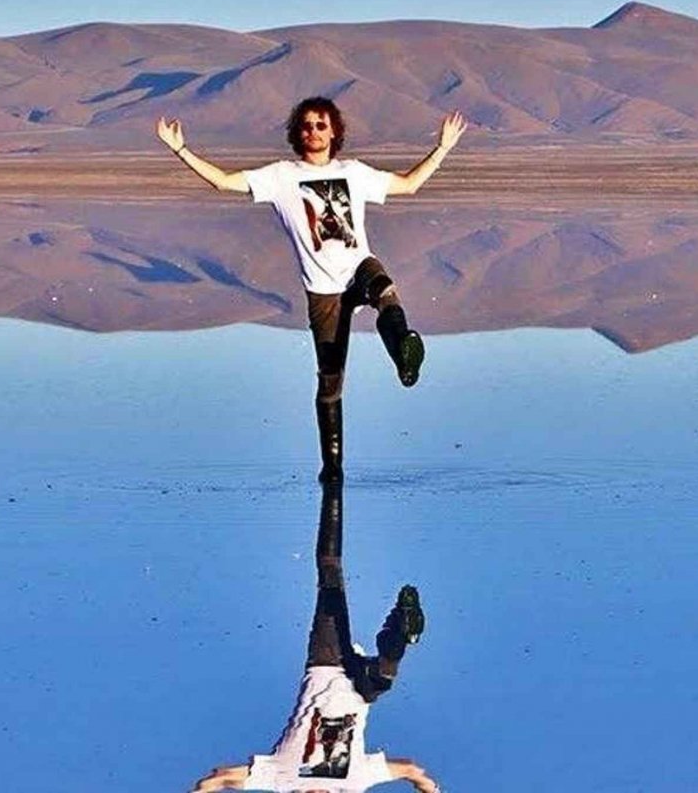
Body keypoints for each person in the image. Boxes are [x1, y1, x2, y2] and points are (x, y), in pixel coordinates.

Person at [156, 98, 466, 482]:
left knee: (383, 286)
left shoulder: (353, 172)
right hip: (323, 289)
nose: (313, 131)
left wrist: (443, 148)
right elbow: (224, 181)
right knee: (330, 376)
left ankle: (404, 351)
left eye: (321, 125)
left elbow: (409, 185)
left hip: (357, 267)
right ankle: (332, 465)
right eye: (306, 125)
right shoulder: (281, 176)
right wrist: (180, 150)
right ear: (296, 133)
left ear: (334, 131)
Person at [188, 479, 440, 793]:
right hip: (338, 670)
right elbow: (219, 778)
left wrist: (428, 788)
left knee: (382, 673)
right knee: (332, 581)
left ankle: (400, 632)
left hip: (334, 666)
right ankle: (332, 482)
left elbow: (412, 771)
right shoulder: (299, 780)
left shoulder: (297, 780)